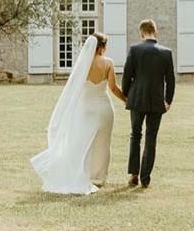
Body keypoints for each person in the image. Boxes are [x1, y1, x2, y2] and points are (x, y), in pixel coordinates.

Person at [30, 33, 127, 194]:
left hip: (86, 107)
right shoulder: (108, 63)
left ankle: (83, 172)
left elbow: (74, 88)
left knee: (83, 141)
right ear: (102, 47)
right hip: (104, 108)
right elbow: (113, 88)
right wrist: (125, 99)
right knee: (103, 143)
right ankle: (99, 176)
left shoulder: (83, 63)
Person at [121, 18, 174, 189]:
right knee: (151, 138)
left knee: (135, 135)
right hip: (157, 101)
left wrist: (126, 95)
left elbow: (126, 75)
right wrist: (168, 100)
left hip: (137, 98)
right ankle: (145, 177)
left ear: (141, 33)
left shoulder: (134, 50)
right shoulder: (166, 52)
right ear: (155, 32)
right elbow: (170, 80)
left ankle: (134, 175)